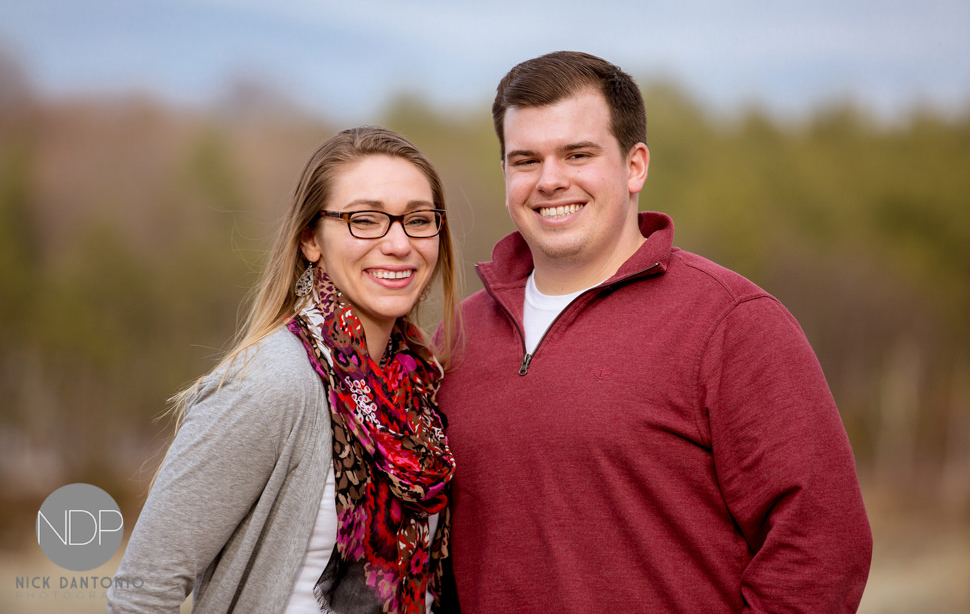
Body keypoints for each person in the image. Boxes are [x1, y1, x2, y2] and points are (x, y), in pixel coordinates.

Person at [437, 51, 872, 613]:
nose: (550, 180)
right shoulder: (458, 337)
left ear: (635, 165)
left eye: (577, 154)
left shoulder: (731, 323)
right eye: (525, 160)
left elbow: (822, 545)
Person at [107, 127, 460, 614]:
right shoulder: (271, 386)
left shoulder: (420, 394)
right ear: (311, 240)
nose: (399, 243)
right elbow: (142, 593)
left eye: (418, 220)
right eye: (366, 219)